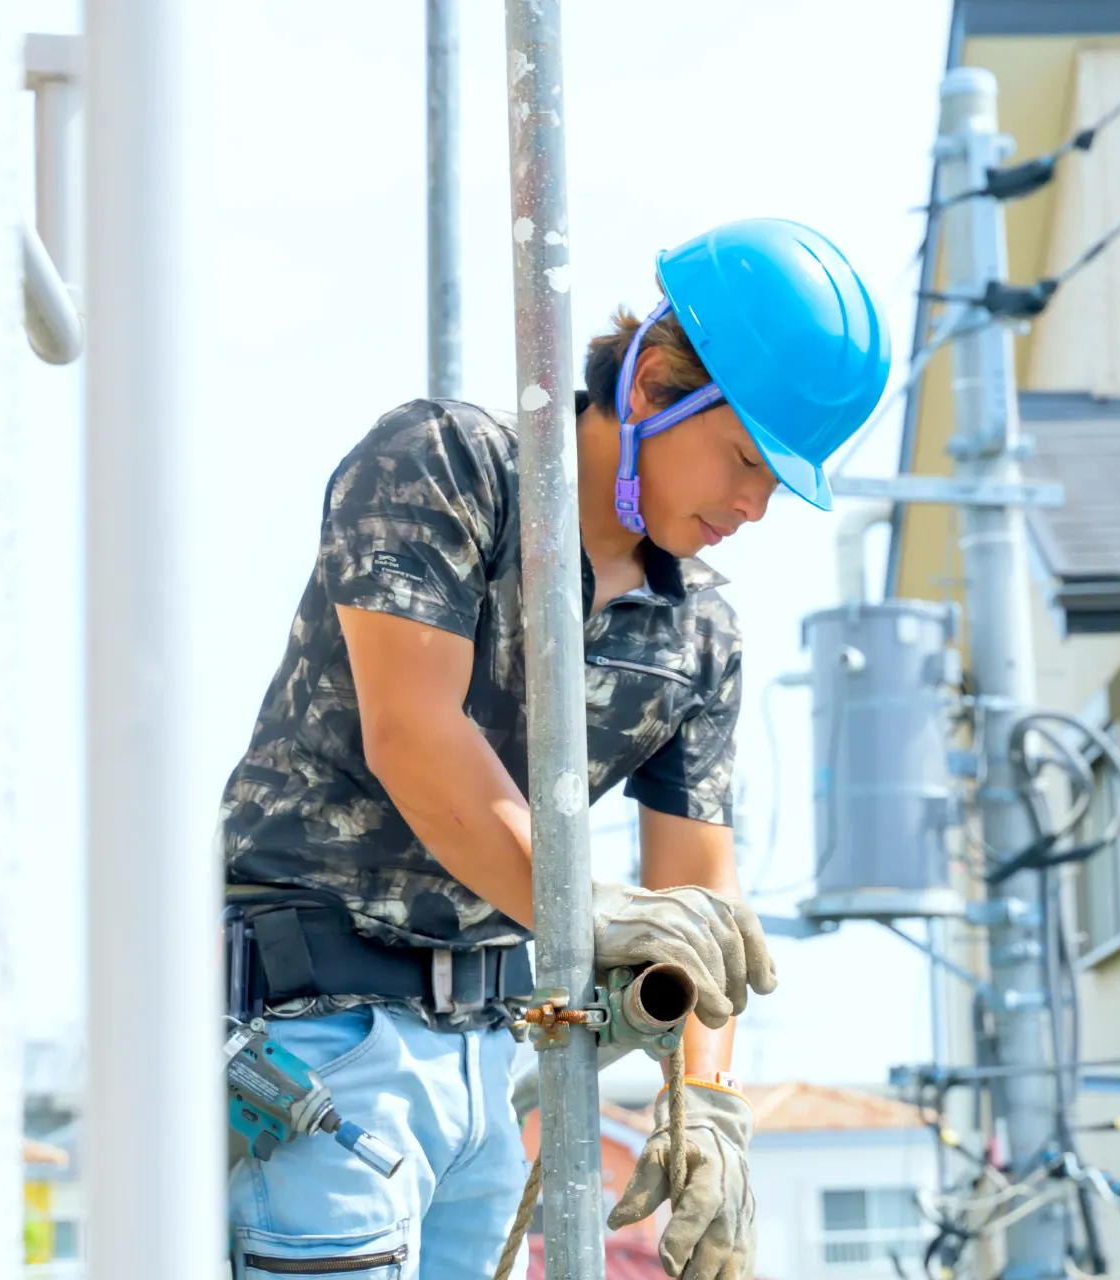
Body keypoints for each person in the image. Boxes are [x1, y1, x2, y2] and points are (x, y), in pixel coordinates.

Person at [217, 217, 891, 1279]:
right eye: (747, 459)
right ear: (658, 380)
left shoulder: (696, 630)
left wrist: (706, 1101)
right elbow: (413, 731)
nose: (756, 505)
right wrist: (590, 910)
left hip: (497, 1059)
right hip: (320, 1033)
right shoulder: (446, 466)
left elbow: (698, 907)